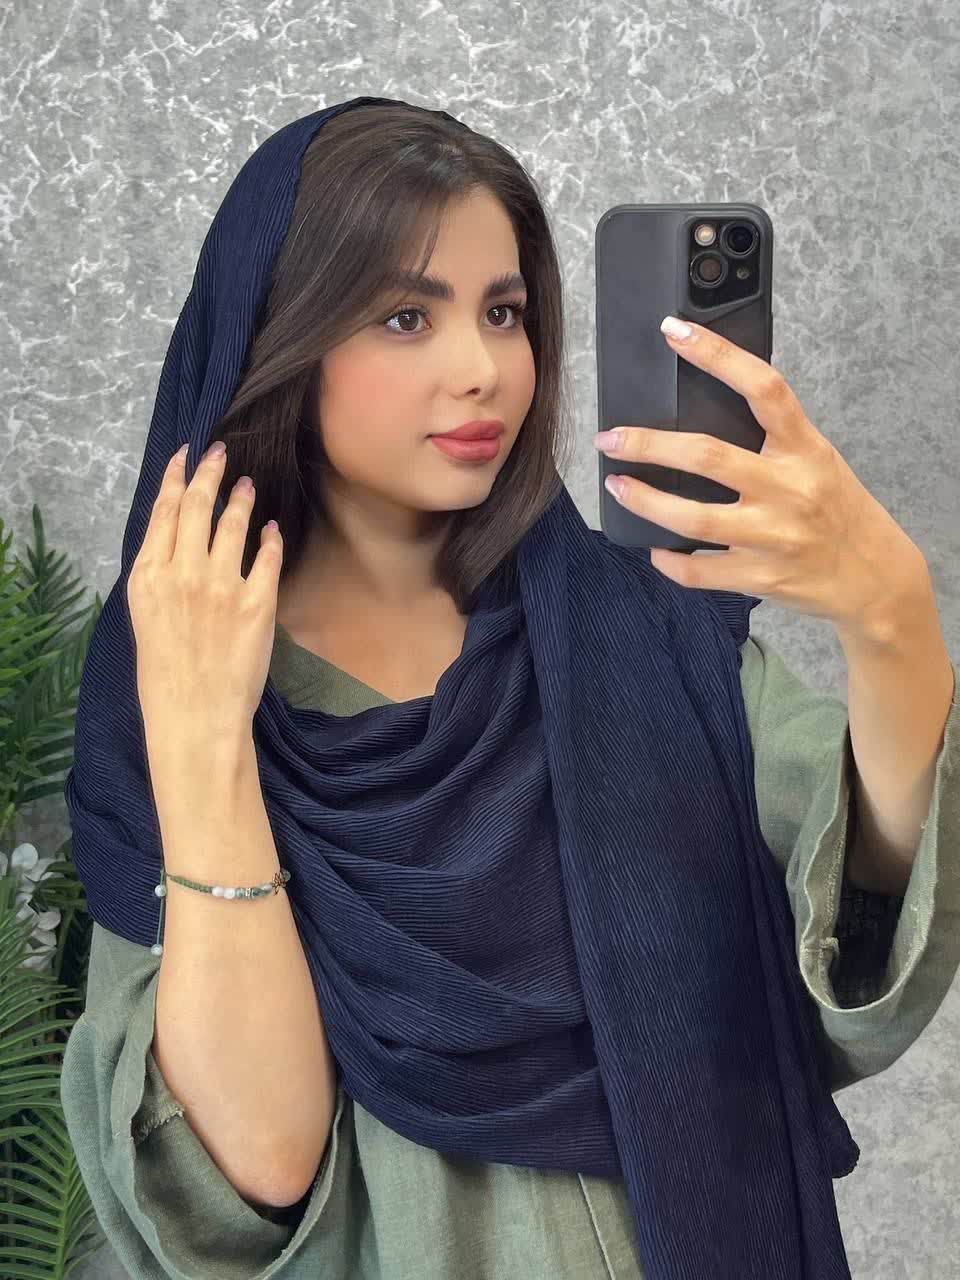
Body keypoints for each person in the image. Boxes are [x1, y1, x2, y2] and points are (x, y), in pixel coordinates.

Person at [60, 97, 960, 1280]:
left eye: (504, 311)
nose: (482, 369)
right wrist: (202, 737)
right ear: (281, 336)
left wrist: (894, 625)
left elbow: (863, 928)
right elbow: (250, 1177)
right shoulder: (183, 689)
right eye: (405, 316)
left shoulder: (630, 631)